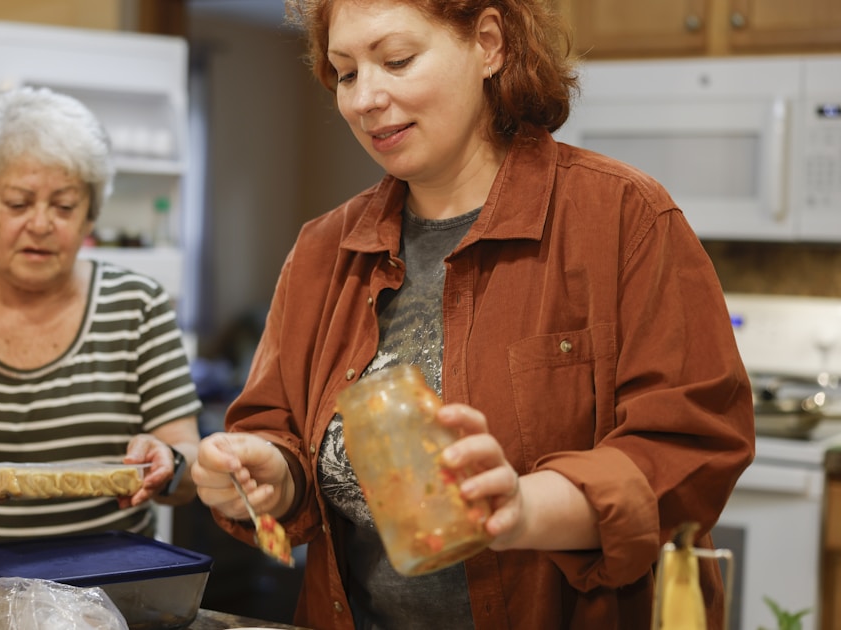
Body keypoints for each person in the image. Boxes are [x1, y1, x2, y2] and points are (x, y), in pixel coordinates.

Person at [190, 1, 755, 629]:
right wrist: (274, 473)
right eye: (346, 73)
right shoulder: (323, 251)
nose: (364, 98)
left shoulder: (625, 218)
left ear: (488, 44)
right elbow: (280, 428)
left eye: (396, 60)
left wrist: (525, 507)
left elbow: (691, 446)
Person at [0, 86, 202, 541]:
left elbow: (187, 464)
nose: (42, 224)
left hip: (107, 587)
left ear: (89, 218)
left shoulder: (137, 307)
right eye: (19, 203)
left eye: (64, 206)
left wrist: (169, 459)